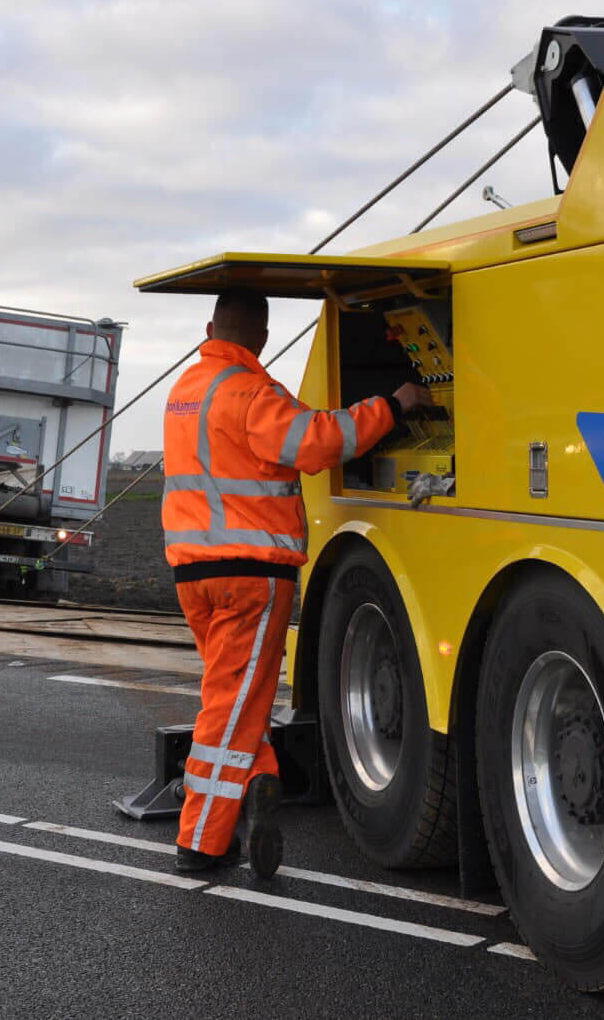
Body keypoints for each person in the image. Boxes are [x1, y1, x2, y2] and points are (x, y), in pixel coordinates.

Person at [162, 287, 431, 876]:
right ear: (259, 336)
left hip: (191, 572)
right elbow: (317, 443)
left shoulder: (183, 394)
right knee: (230, 710)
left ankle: (258, 783)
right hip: (249, 574)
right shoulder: (252, 394)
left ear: (211, 327)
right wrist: (392, 405)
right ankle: (201, 842)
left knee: (230, 696)